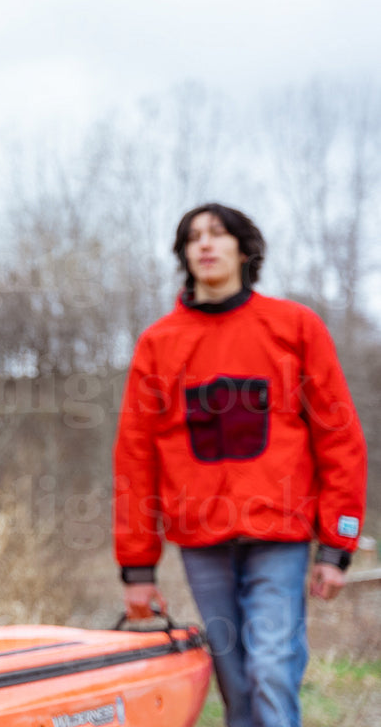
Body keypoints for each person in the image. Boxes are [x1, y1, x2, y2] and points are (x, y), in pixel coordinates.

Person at [113, 203, 367, 727]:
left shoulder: (294, 327)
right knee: (234, 679)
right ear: (183, 254)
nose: (205, 244)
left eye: (218, 234)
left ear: (245, 249)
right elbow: (135, 460)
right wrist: (137, 569)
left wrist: (337, 545)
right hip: (201, 542)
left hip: (280, 536)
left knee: (272, 668)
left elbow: (339, 439)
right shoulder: (159, 344)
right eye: (193, 237)